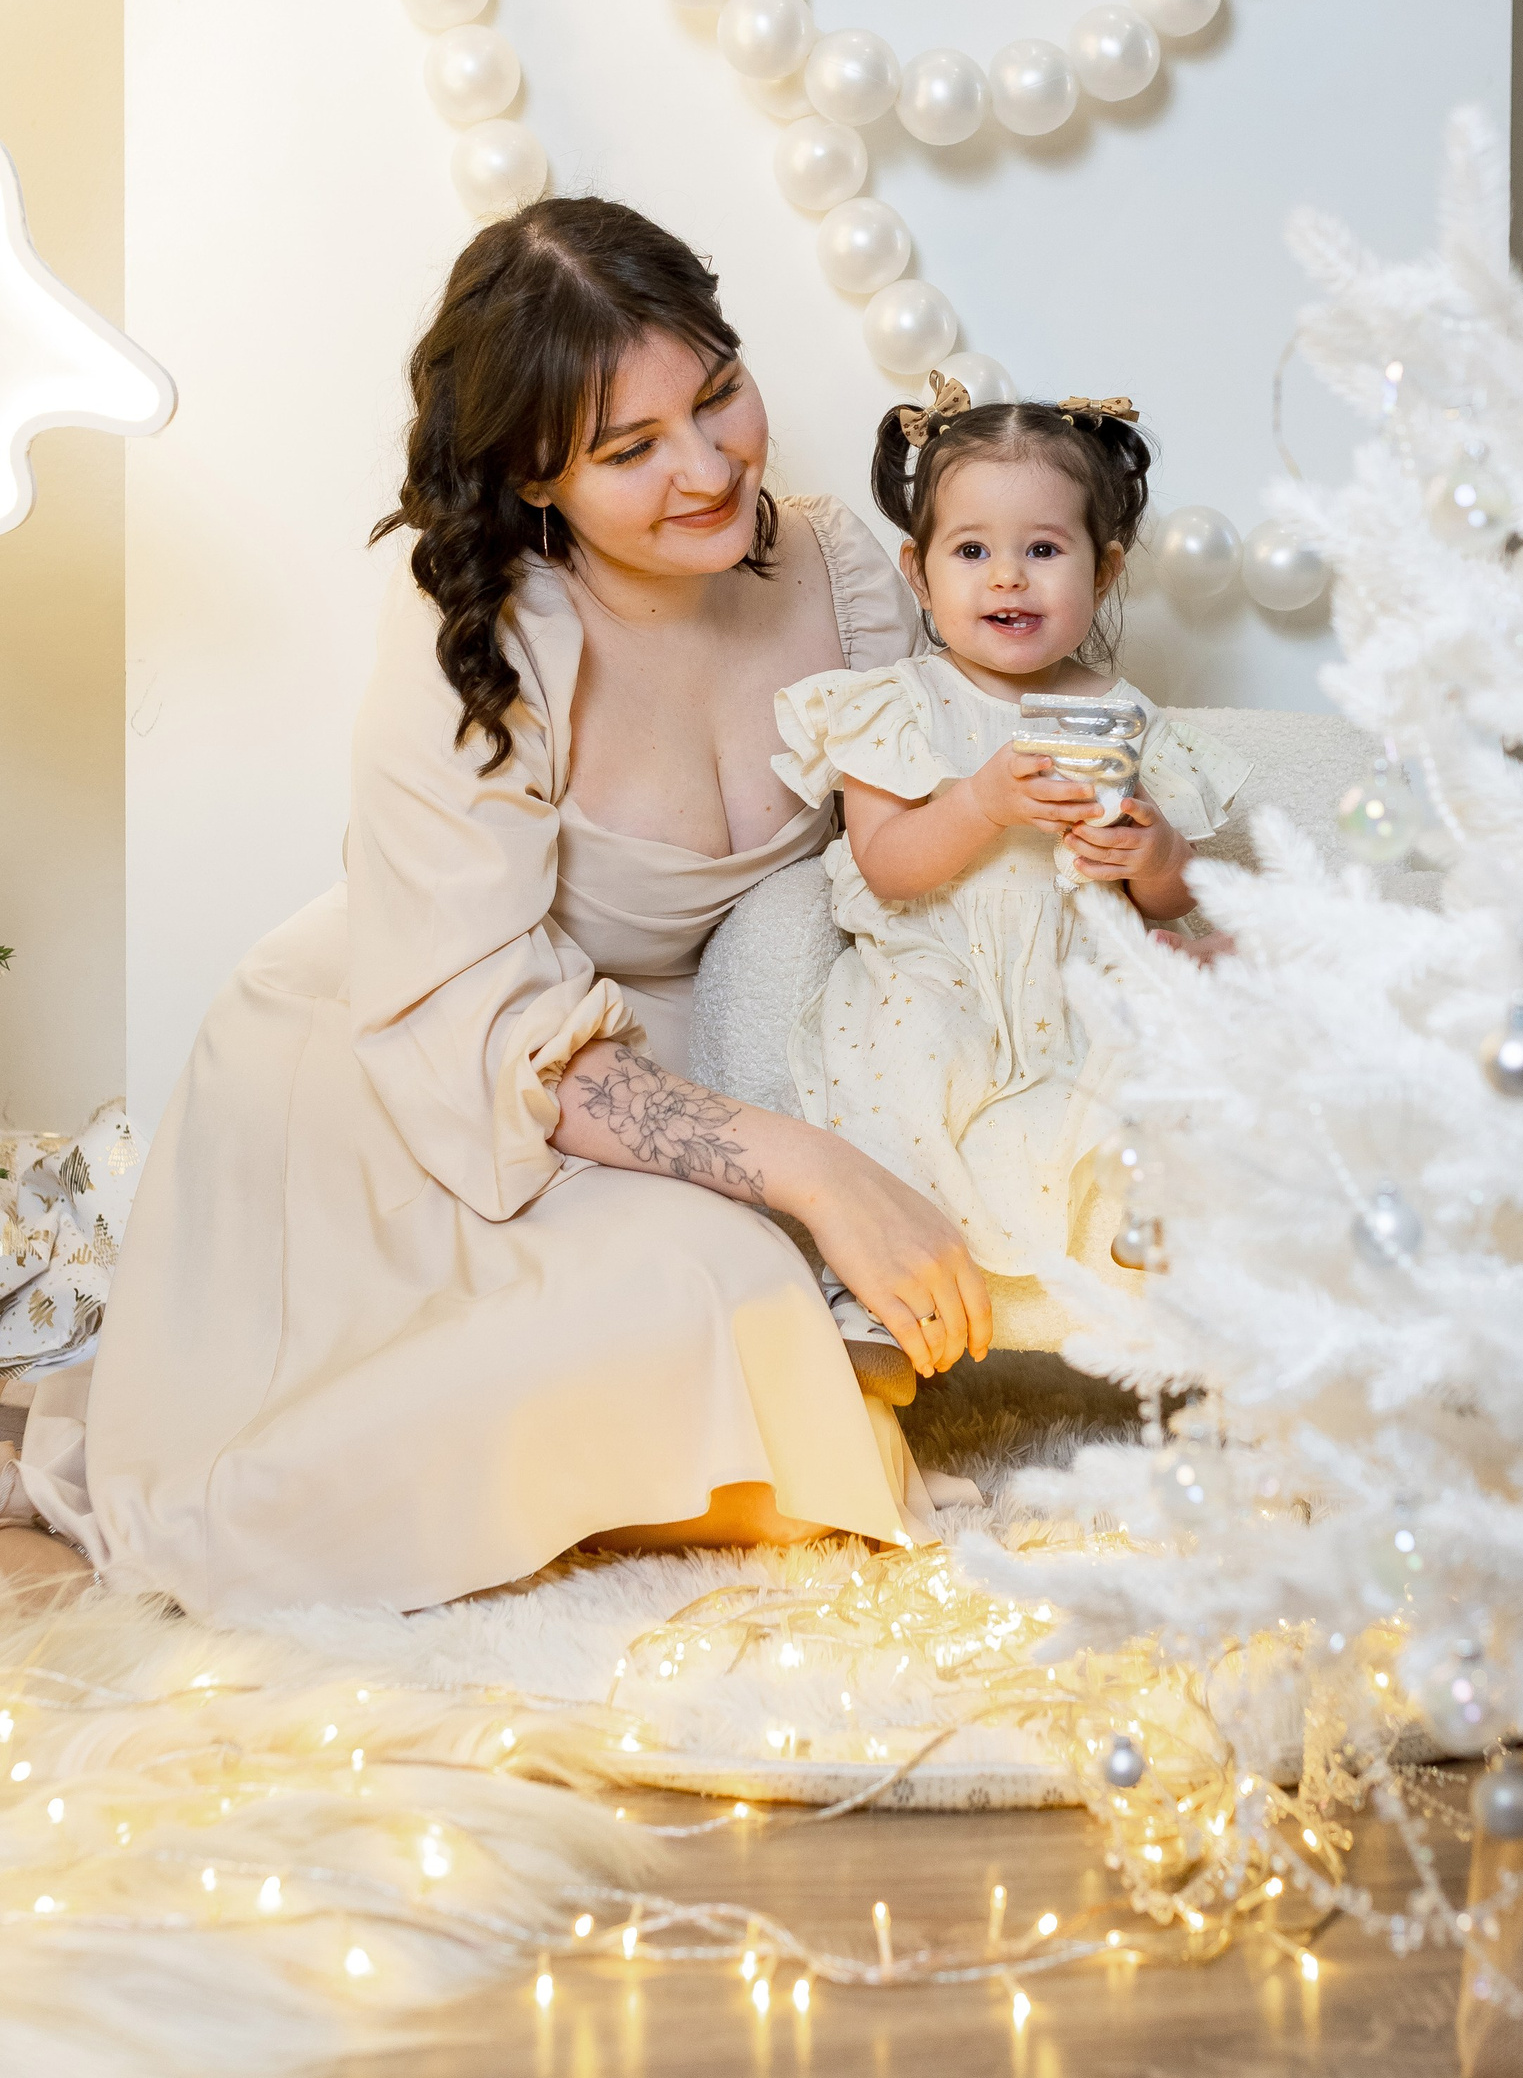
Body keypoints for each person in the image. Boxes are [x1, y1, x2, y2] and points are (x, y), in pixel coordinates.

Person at [62, 201, 994, 1614]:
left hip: (697, 1064)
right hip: (426, 1069)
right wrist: (810, 1170)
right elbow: (481, 1025)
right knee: (718, 1303)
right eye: (631, 450)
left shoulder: (841, 573)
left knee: (772, 1346)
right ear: (533, 475)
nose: (708, 468)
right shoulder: (481, 636)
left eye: (719, 394)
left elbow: (930, 829)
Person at [769, 375, 1246, 1352]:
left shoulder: (1123, 716)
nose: (1007, 580)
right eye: (972, 550)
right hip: (943, 970)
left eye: (1043, 550)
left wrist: (1151, 849)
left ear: (1104, 572)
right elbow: (888, 866)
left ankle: (1164, 1272)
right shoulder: (896, 704)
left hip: (1080, 972)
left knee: (1159, 1057)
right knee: (910, 1066)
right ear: (918, 571)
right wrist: (982, 802)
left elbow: (1169, 900)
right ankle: (881, 1292)